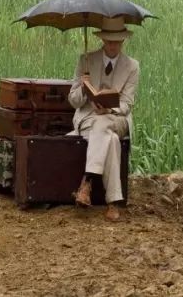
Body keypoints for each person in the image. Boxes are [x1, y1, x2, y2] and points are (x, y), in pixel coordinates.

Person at [68, 16, 140, 221]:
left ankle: (87, 181)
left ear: (123, 40)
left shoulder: (132, 66)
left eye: (116, 42)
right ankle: (113, 202)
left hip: (117, 120)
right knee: (112, 141)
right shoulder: (86, 60)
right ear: (102, 39)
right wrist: (84, 87)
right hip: (88, 119)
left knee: (105, 124)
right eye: (109, 41)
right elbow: (73, 101)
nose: (112, 46)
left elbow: (127, 104)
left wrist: (109, 109)